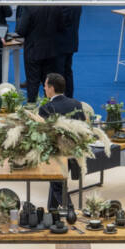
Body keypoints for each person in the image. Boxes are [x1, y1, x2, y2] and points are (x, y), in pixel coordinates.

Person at [37, 73, 86, 208]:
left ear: (51, 88)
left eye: (45, 86)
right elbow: (83, 128)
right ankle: (52, 208)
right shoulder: (76, 104)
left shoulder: (46, 109)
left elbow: (41, 133)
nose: (44, 89)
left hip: (56, 154)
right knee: (57, 183)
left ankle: (70, 211)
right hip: (75, 153)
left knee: (58, 185)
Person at [16, 0, 62, 104]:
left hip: (34, 50)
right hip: (51, 50)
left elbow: (21, 30)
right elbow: (61, 26)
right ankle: (50, 110)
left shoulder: (29, 6)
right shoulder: (55, 5)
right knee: (49, 83)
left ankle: (32, 109)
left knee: (32, 83)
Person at [53, 0, 81, 97]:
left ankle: (62, 97)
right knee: (68, 71)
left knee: (61, 72)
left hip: (61, 43)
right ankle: (69, 95)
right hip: (71, 42)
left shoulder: (66, 2)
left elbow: (61, 23)